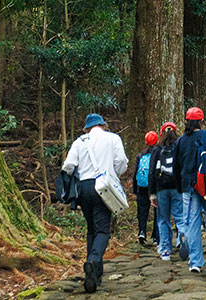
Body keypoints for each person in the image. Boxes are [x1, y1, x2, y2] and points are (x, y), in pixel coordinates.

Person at [62, 113, 128, 294]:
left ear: (87, 128)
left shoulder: (79, 142)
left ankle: (94, 274)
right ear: (103, 125)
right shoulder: (113, 138)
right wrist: (112, 174)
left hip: (83, 187)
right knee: (102, 230)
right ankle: (93, 261)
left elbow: (68, 166)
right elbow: (122, 161)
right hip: (103, 187)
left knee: (91, 228)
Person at [173, 107, 206, 273]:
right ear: (202, 121)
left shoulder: (180, 141)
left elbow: (176, 167)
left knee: (191, 223)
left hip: (189, 186)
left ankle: (195, 261)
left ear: (186, 121)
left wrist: (180, 187)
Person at [149, 122, 183, 261]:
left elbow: (152, 172)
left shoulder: (157, 150)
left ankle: (165, 250)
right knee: (180, 217)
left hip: (161, 188)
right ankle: (183, 240)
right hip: (177, 187)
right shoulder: (179, 148)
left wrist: (152, 194)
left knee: (163, 219)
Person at [133, 131, 158, 245]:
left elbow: (135, 173)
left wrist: (135, 189)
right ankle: (156, 235)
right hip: (155, 186)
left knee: (142, 211)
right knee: (157, 210)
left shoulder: (141, 155)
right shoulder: (159, 153)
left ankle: (142, 231)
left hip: (142, 186)